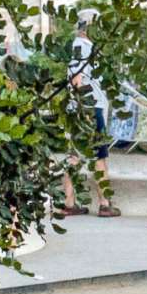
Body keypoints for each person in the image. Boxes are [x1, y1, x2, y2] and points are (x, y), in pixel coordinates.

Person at [56, 17, 121, 218]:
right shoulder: (82, 48)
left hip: (79, 109)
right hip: (89, 109)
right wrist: (86, 108)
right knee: (99, 156)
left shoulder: (79, 47)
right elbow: (77, 80)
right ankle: (104, 203)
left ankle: (69, 202)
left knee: (74, 155)